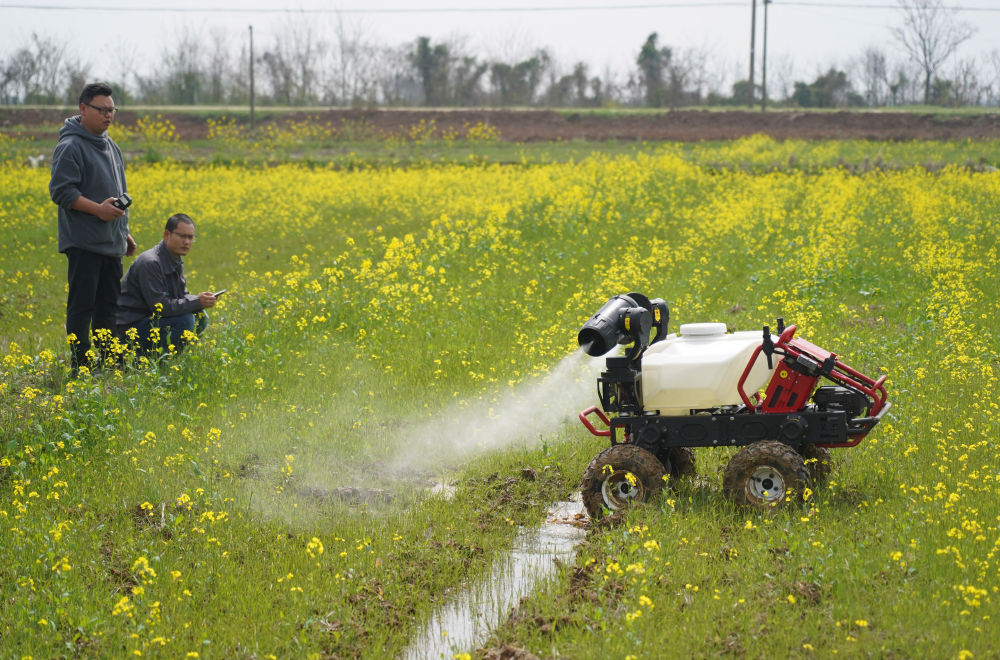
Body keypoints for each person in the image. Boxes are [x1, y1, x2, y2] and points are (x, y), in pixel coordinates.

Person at [49, 82, 136, 373]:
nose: (108, 115)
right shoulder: (70, 146)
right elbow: (61, 192)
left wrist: (124, 232)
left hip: (111, 241)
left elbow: (117, 192)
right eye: (102, 110)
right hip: (84, 242)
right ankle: (81, 365)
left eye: (112, 110)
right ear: (83, 109)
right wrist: (98, 210)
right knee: (82, 307)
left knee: (108, 306)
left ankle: (108, 361)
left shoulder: (111, 145)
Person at [117, 213, 217, 357]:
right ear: (167, 234)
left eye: (190, 237)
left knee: (200, 316)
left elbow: (180, 296)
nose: (187, 242)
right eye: (182, 236)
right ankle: (144, 358)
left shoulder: (174, 258)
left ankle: (167, 358)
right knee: (186, 320)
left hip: (150, 321)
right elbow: (160, 307)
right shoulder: (150, 263)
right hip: (131, 327)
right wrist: (196, 301)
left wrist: (200, 300)